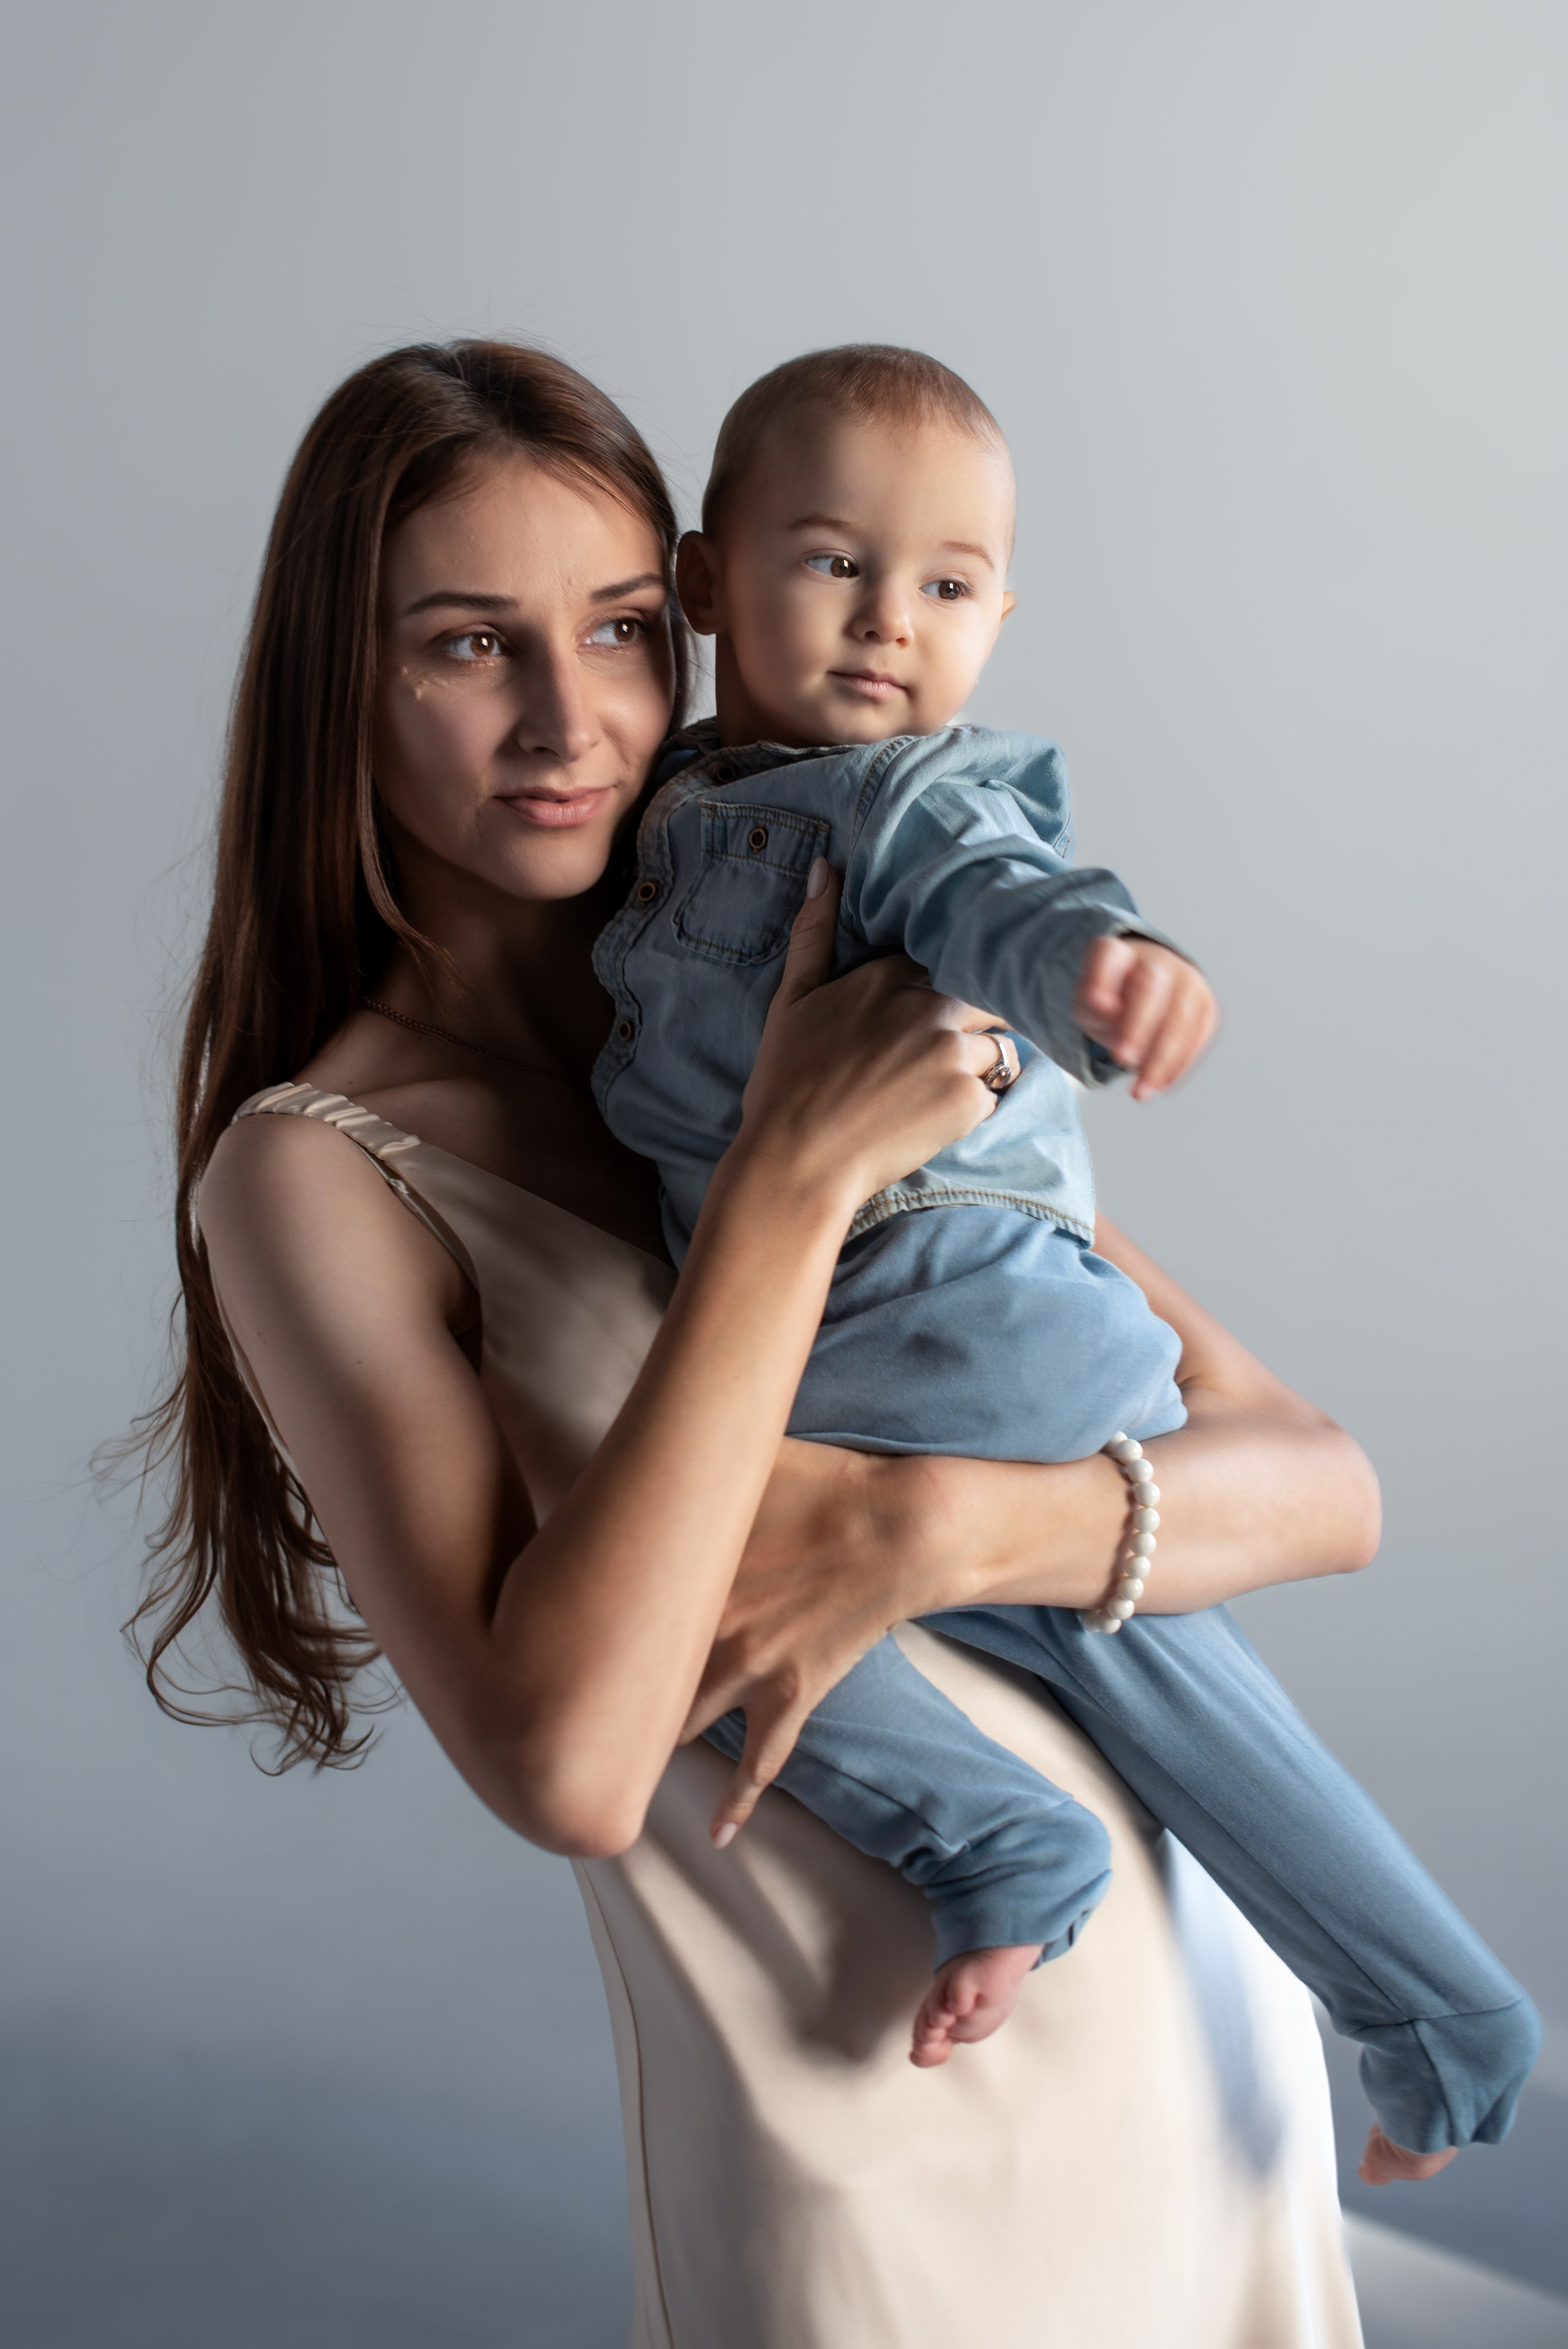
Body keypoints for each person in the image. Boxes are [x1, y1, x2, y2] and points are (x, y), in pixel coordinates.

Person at [137, 338, 1392, 2347]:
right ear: (339, 690)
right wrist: (792, 1185)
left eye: (621, 628)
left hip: (1190, 2038)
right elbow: (566, 1757)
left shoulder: (803, 977)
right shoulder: (314, 1173)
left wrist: (920, 1535)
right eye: (469, 644)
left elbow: (1320, 1486)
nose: (570, 718)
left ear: (695, 616)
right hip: (864, 2128)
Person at [592, 344, 1540, 2144]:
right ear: (706, 580)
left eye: (949, 587)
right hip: (930, 1323)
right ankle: (1435, 2014)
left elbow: (1000, 888)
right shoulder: (685, 802)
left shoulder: (898, 796)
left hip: (937, 1310)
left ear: (1002, 616)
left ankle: (1021, 1849)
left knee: (654, 1597)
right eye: (835, 559)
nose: (890, 619)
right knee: (1152, 1683)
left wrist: (1101, 970)